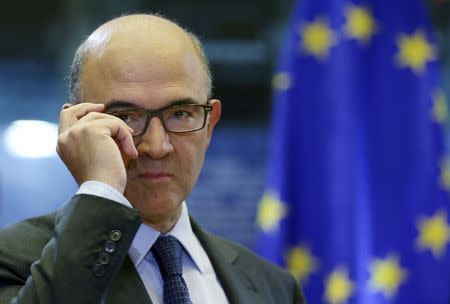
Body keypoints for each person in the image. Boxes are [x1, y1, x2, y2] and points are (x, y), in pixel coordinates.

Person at [0, 13, 304, 303]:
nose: (157, 147)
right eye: (126, 117)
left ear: (209, 126)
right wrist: (100, 190)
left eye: (180, 114)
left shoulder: (273, 286)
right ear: (77, 129)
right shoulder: (15, 260)